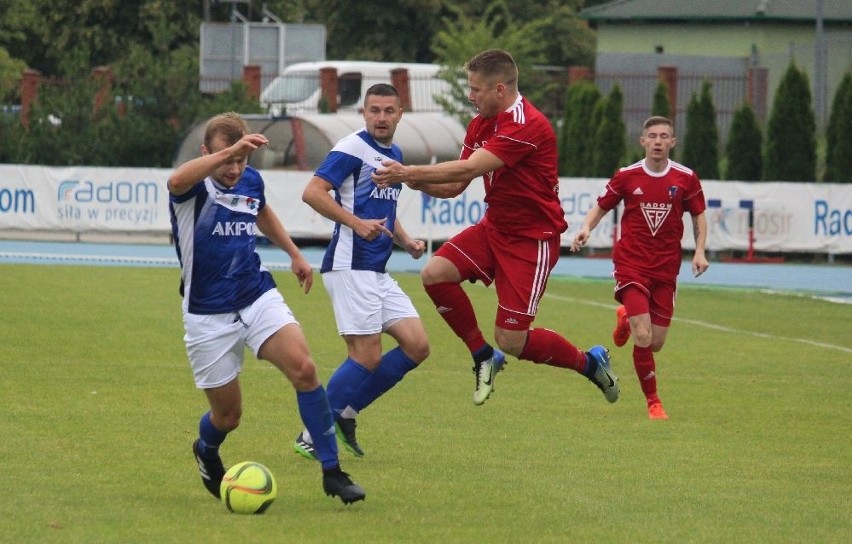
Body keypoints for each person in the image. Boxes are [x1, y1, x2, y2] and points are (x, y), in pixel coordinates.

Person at [372, 49, 619, 406]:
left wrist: (407, 172)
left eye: (475, 89)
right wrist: (408, 181)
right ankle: (482, 355)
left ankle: (589, 363)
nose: (470, 96)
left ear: (499, 89)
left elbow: (468, 170)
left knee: (513, 340)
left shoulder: (525, 124)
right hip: (494, 228)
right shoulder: (481, 123)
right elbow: (455, 186)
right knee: (434, 274)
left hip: (531, 243)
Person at [167, 112, 365, 504]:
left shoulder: (249, 180)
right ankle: (206, 449)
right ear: (207, 152)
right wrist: (232, 151)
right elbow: (174, 180)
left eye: (242, 160)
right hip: (208, 314)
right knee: (228, 417)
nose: (235, 168)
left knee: (305, 370)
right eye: (227, 158)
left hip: (255, 295)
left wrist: (294, 254)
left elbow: (260, 211)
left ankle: (332, 471)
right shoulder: (192, 188)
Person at [293, 84, 429, 460]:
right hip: (350, 266)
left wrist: (405, 239)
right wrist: (355, 223)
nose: (381, 117)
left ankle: (347, 412)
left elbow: (386, 208)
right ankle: (311, 434)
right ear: (363, 113)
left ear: (400, 114)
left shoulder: (394, 154)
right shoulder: (351, 148)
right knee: (366, 356)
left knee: (417, 346)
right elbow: (313, 192)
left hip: (376, 270)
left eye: (389, 110)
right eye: (374, 110)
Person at [570, 115, 709, 420]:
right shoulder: (627, 176)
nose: (658, 141)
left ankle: (624, 320)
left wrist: (699, 251)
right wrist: (585, 228)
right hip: (631, 264)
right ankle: (653, 403)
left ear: (672, 142)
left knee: (655, 342)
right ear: (643, 141)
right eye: (653, 136)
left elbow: (699, 216)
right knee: (643, 336)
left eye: (664, 136)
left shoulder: (685, 178)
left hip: (665, 269)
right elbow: (602, 205)